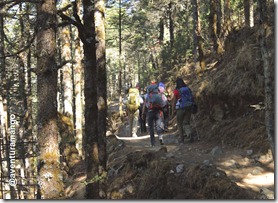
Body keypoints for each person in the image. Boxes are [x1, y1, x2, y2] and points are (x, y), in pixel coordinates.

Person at [142, 79, 167, 146]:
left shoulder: (148, 96)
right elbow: (164, 103)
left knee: (151, 128)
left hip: (150, 112)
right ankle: (160, 137)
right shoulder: (160, 95)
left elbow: (145, 105)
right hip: (159, 112)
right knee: (159, 126)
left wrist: (143, 113)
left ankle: (152, 143)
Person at [171, 78, 195, 144]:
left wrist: (173, 110)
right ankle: (189, 134)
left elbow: (174, 101)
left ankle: (182, 139)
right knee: (186, 122)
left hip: (180, 109)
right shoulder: (187, 89)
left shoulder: (176, 91)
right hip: (188, 107)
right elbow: (192, 97)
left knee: (179, 124)